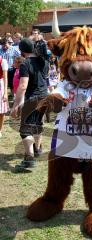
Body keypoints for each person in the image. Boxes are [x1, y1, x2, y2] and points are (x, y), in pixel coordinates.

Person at [10, 38, 49, 172]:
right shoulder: (44, 61)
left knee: (25, 130)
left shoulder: (26, 63)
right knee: (38, 124)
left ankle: (29, 159)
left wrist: (15, 105)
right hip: (45, 96)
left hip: (33, 99)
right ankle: (37, 150)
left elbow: (22, 86)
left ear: (22, 50)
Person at [0, 56, 8, 138]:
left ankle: (0, 130)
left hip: (0, 86)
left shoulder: (2, 60)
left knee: (1, 111)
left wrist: (5, 92)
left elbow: (5, 78)